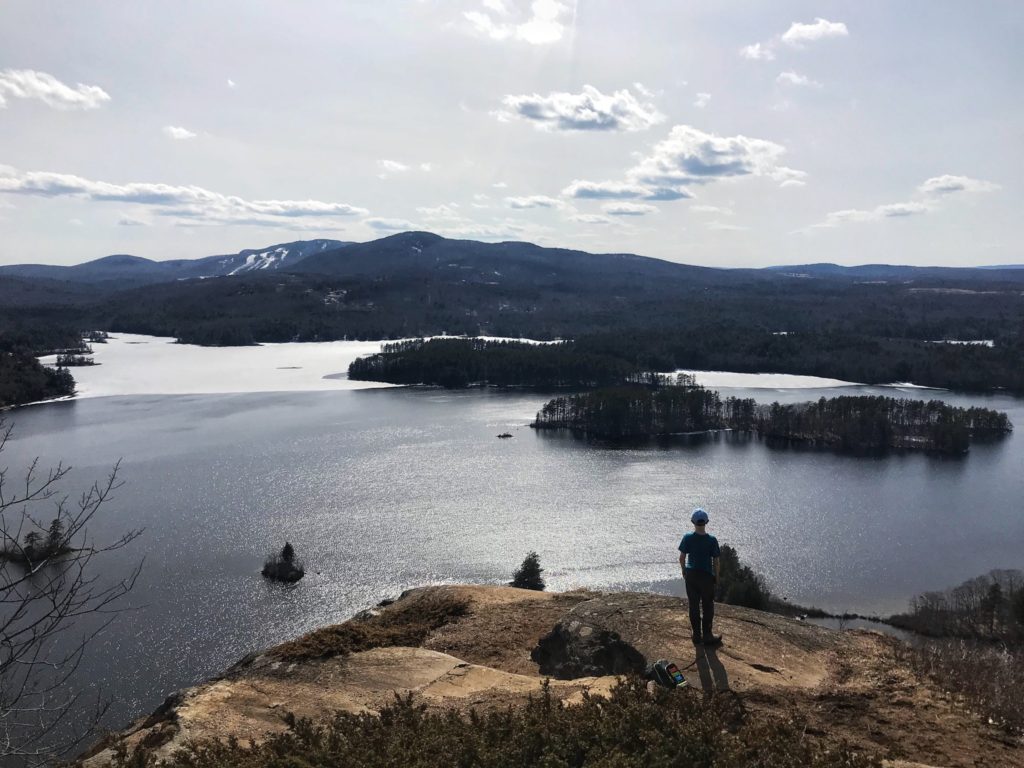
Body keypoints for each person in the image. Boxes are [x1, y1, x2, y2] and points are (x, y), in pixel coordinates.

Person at [678, 508, 722, 645]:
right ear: (706, 522)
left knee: (693, 605)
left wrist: (684, 570)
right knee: (708, 605)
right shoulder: (712, 540)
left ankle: (696, 636)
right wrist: (717, 577)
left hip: (691, 575)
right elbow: (716, 561)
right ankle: (707, 635)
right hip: (706, 576)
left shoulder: (687, 538)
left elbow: (682, 557)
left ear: (693, 522)